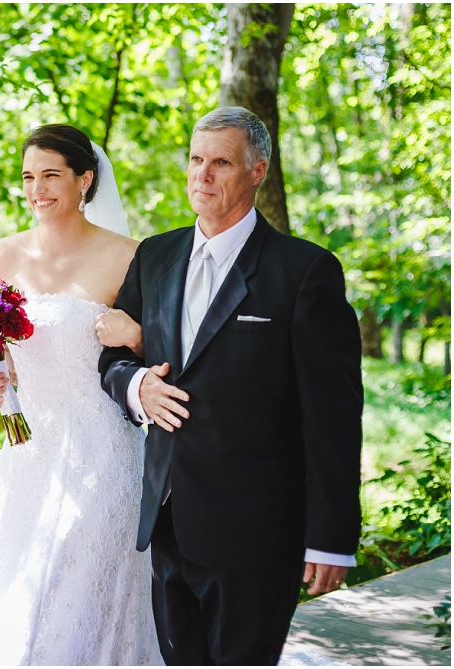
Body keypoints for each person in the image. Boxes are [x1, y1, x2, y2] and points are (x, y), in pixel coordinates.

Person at [98, 106, 363, 665]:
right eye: (196, 160)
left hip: (258, 531)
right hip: (167, 519)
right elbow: (113, 358)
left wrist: (332, 535)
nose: (203, 175)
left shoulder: (305, 272)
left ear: (258, 171)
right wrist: (136, 385)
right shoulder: (155, 255)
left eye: (221, 162)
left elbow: (334, 416)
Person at [0, 124, 162, 666]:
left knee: (77, 587)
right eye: (29, 176)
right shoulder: (2, 256)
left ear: (85, 180)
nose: (37, 189)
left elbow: (163, 351)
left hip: (105, 451)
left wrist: (139, 336)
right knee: (22, 586)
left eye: (51, 175)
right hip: (28, 454)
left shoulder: (130, 256)